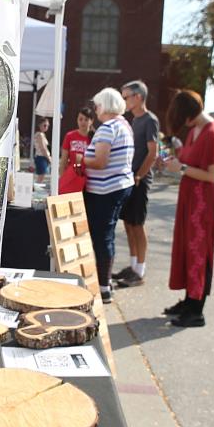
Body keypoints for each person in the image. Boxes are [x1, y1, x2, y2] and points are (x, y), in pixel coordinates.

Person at [159, 90, 214, 328]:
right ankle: (189, 300)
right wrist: (175, 162)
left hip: (203, 202)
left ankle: (197, 310)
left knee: (199, 251)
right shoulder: (195, 130)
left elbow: (212, 175)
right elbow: (187, 161)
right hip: (191, 198)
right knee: (188, 249)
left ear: (191, 114)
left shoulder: (212, 133)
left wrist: (182, 168)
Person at [81, 88, 134, 304]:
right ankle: (106, 282)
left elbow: (100, 161)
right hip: (119, 186)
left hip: (105, 190)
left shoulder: (107, 128)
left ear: (103, 105)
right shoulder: (124, 125)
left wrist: (81, 160)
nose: (95, 109)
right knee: (107, 235)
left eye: (97, 105)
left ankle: (103, 286)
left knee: (102, 237)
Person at [113, 80, 160, 288]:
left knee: (138, 224)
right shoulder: (134, 120)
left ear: (138, 97)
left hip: (139, 180)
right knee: (129, 224)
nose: (124, 101)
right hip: (129, 179)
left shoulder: (150, 120)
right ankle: (132, 266)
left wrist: (140, 175)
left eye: (126, 97)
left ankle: (140, 271)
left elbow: (153, 152)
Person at [59, 106, 94, 195]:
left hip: (91, 181)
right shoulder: (70, 136)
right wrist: (62, 179)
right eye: (80, 119)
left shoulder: (95, 137)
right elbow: (63, 161)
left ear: (91, 121)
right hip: (73, 178)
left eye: (86, 119)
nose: (83, 122)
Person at [33, 117, 50, 183]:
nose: (46, 127)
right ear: (39, 125)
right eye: (44, 125)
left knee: (41, 177)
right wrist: (48, 158)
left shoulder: (42, 134)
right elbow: (43, 148)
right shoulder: (39, 135)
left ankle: (36, 189)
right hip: (41, 157)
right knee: (41, 177)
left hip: (42, 157)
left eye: (47, 126)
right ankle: (35, 190)